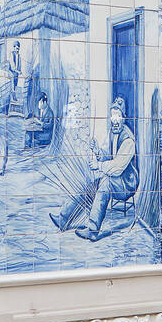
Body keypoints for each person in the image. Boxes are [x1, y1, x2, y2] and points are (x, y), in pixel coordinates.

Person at [50, 97, 139, 240]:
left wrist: (99, 166)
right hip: (114, 178)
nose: (114, 119)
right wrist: (98, 151)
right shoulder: (112, 133)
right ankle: (63, 218)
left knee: (105, 184)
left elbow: (117, 168)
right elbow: (107, 157)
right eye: (112, 115)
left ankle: (92, 230)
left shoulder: (128, 140)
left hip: (126, 183)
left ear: (123, 117)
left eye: (118, 116)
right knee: (91, 186)